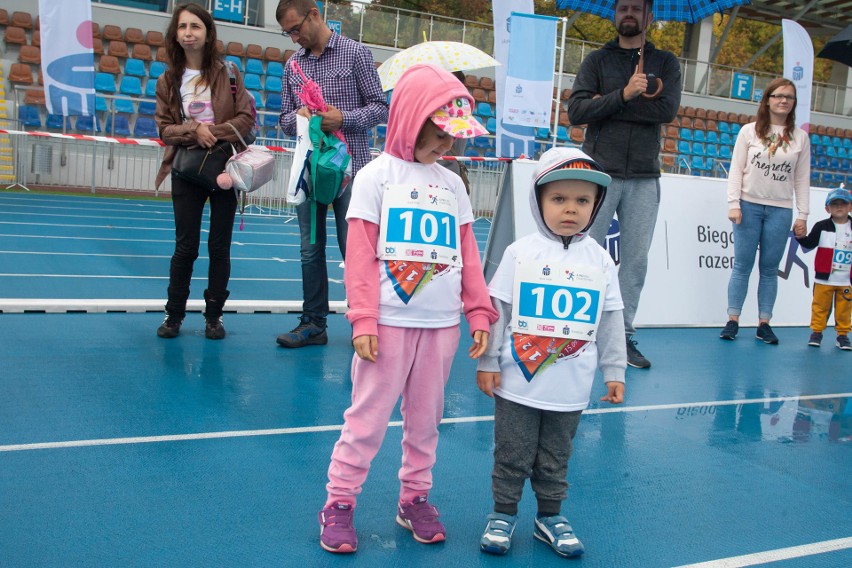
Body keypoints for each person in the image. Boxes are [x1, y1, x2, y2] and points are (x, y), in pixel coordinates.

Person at [316, 64, 498, 554]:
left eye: (451, 138)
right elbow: (358, 256)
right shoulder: (375, 177)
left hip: (441, 329)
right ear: (410, 120)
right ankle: (339, 504)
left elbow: (468, 252)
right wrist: (364, 318)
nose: (446, 147)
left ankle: (414, 497)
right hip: (388, 326)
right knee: (367, 420)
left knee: (425, 422)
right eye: (438, 135)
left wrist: (478, 310)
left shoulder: (454, 184)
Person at [475, 147, 626, 558]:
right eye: (559, 199)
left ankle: (549, 516)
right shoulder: (518, 252)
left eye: (582, 201)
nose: (571, 209)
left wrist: (616, 371)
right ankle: (503, 514)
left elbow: (611, 319)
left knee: (556, 457)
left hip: (569, 389)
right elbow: (497, 312)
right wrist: (489, 362)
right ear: (538, 201)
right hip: (518, 384)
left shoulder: (600, 260)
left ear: (596, 207)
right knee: (512, 453)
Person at [566, 0, 681, 369]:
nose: (629, 14)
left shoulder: (666, 63)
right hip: (599, 172)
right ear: (615, 15)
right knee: (584, 252)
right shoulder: (597, 61)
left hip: (645, 176)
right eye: (623, 8)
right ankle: (573, 329)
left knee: (634, 261)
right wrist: (624, 95)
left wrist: (609, 103)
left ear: (650, 17)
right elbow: (578, 111)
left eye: (636, 9)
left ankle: (622, 335)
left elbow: (665, 111)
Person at [275, 0, 389, 348]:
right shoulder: (293, 65)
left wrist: (344, 119)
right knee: (310, 250)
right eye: (287, 33)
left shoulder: (355, 53)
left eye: (296, 28)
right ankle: (313, 323)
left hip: (350, 172)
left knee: (354, 250)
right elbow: (282, 119)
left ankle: (364, 324)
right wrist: (300, 119)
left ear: (314, 14)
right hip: (310, 171)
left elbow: (380, 107)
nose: (294, 38)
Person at [153, 3, 255, 340]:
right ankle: (174, 315)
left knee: (219, 247)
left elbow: (245, 118)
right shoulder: (168, 79)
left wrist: (217, 132)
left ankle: (214, 317)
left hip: (224, 168)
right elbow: (165, 129)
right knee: (185, 248)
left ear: (208, 32)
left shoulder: (229, 73)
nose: (188, 33)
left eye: (195, 26)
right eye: (182, 27)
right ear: (175, 33)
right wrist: (193, 130)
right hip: (186, 171)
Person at [719, 77, 810, 344]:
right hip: (748, 206)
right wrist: (733, 203)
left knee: (770, 269)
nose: (783, 100)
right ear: (767, 100)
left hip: (780, 210)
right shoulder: (749, 131)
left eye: (789, 97)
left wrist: (802, 214)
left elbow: (802, 179)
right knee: (742, 266)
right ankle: (733, 319)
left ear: (793, 103)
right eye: (778, 95)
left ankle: (764, 323)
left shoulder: (800, 137)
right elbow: (736, 169)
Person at [795, 187, 852, 350]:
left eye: (843, 203)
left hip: (847, 281)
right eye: (834, 204)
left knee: (844, 309)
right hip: (823, 279)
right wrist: (799, 236)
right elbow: (809, 243)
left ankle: (843, 335)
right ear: (827, 208)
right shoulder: (821, 226)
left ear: (850, 207)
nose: (839, 207)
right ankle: (817, 333)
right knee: (820, 307)